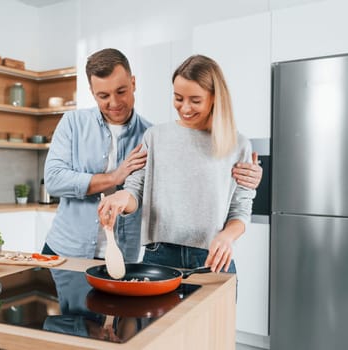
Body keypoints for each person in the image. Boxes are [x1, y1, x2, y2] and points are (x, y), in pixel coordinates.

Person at [43, 48, 261, 263]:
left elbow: (238, 205)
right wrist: (116, 182)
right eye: (178, 98)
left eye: (121, 91)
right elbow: (131, 189)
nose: (114, 102)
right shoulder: (78, 124)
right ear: (92, 93)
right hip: (71, 249)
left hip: (167, 256)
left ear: (133, 83)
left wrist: (229, 230)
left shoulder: (152, 134)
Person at [98, 54, 255, 274]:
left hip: (212, 258)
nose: (185, 108)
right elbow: (135, 190)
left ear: (214, 98)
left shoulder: (238, 145)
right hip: (159, 256)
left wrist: (227, 236)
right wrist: (121, 198)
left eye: (195, 100)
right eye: (178, 98)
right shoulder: (155, 137)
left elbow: (241, 209)